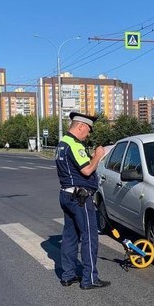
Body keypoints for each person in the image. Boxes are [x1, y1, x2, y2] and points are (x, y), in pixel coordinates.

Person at [55, 111, 109, 289]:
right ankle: (89, 279)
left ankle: (68, 275)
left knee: (70, 236)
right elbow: (87, 170)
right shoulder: (75, 145)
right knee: (89, 236)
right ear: (80, 126)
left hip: (66, 195)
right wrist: (98, 156)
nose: (89, 134)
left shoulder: (62, 144)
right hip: (80, 197)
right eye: (88, 129)